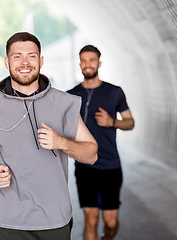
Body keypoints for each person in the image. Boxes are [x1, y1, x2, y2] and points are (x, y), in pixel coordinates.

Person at [0, 32, 98, 240]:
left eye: (31, 56)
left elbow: (92, 154)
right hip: (8, 220)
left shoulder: (64, 103)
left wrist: (62, 142)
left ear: (41, 60)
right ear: (6, 61)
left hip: (54, 219)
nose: (25, 62)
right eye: (17, 56)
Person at [67, 45, 135, 240]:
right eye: (84, 60)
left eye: (92, 60)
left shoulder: (114, 92)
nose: (88, 64)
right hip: (84, 165)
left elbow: (130, 122)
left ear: (99, 63)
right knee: (91, 218)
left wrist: (113, 122)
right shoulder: (70, 96)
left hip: (110, 165)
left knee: (111, 223)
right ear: (79, 64)